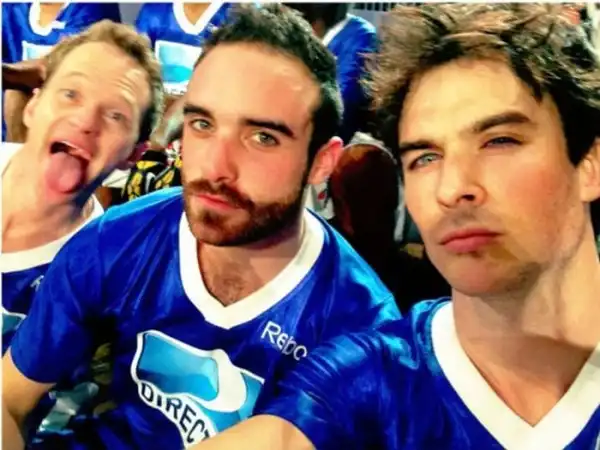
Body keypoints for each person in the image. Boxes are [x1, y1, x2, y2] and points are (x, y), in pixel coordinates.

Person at [193, 4, 600, 449]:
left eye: (499, 140)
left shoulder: (352, 301)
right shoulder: (367, 382)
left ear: (590, 164)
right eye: (425, 157)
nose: (452, 188)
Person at [2, 5, 399, 450]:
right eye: (202, 124)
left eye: (262, 137)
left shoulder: (360, 326)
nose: (215, 167)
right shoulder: (114, 241)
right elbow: (10, 400)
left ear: (321, 162)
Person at [1, 19, 163, 448]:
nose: (86, 121)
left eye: (116, 115)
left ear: (134, 154)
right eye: (70, 93)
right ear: (33, 105)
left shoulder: (108, 269)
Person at [2, 2, 122, 142]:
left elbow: (64, 64)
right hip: (29, 104)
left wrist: (12, 75)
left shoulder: (92, 7)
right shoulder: (11, 7)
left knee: (17, 91)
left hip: (73, 103)